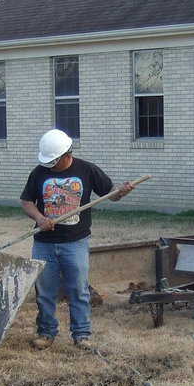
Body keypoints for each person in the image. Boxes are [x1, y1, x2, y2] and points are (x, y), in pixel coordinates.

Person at [21, 129, 135, 349]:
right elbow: (26, 201)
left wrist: (123, 191)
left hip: (75, 242)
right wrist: (40, 218)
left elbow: (111, 194)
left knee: (78, 290)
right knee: (44, 291)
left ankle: (81, 335)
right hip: (44, 243)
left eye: (54, 162)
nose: (50, 166)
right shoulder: (39, 173)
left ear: (66, 154)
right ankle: (46, 333)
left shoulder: (87, 170)